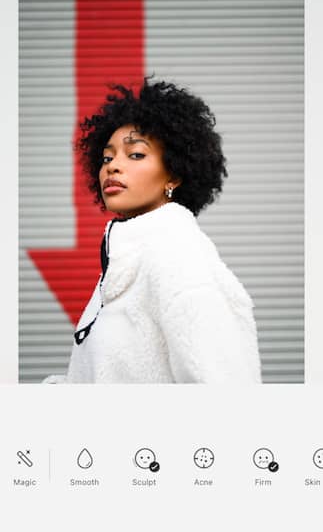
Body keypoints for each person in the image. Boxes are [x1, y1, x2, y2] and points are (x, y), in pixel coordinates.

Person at [45, 78, 261, 384]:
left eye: (135, 155)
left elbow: (224, 390)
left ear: (173, 174)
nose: (113, 166)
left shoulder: (177, 257)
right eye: (107, 157)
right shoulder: (123, 260)